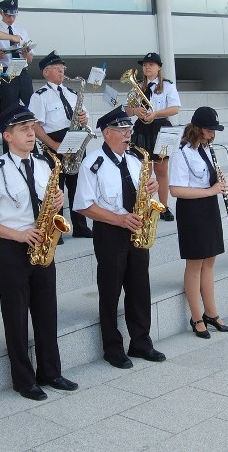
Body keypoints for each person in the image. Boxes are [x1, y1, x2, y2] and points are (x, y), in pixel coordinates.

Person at [0, 104, 79, 401]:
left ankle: (51, 371)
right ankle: (23, 379)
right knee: (16, 316)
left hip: (43, 242)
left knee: (47, 311)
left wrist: (58, 200)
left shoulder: (45, 163)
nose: (31, 134)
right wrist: (18, 234)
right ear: (7, 136)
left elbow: (49, 200)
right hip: (11, 248)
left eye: (32, 128)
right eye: (24, 130)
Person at [74, 106, 166, 369]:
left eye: (130, 130)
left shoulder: (137, 160)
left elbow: (145, 197)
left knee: (140, 289)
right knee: (110, 291)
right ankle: (112, 348)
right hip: (110, 231)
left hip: (136, 228)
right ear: (107, 133)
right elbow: (82, 205)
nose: (128, 135)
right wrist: (118, 219)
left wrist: (153, 188)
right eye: (123, 130)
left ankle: (141, 342)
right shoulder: (93, 163)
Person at [169, 107, 228, 338]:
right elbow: (176, 190)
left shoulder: (207, 149)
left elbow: (209, 182)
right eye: (209, 130)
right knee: (195, 265)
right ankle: (197, 317)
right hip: (192, 211)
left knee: (210, 262)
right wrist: (212, 190)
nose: (213, 134)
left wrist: (217, 185)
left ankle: (212, 313)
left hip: (208, 207)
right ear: (199, 128)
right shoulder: (182, 152)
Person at [28, 51, 93, 238]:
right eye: (57, 69)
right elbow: (35, 125)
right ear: (45, 72)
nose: (61, 72)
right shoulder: (39, 96)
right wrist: (53, 145)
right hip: (54, 142)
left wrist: (83, 117)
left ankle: (80, 227)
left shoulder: (72, 93)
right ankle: (56, 230)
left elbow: (85, 117)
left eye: (62, 68)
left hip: (76, 141)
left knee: (78, 186)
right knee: (56, 188)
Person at [125, 52, 180, 222]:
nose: (147, 67)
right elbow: (126, 109)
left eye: (151, 64)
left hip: (161, 127)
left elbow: (175, 109)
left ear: (159, 67)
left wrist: (155, 113)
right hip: (142, 128)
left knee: (162, 170)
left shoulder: (167, 86)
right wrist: (135, 111)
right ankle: (145, 205)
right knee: (144, 171)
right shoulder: (138, 86)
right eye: (145, 65)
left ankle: (163, 207)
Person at [0, 0, 34, 110]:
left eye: (14, 16)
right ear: (1, 13)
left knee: (30, 107)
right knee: (8, 108)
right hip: (6, 73)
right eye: (8, 15)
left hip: (23, 71)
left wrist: (26, 54)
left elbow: (30, 60)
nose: (11, 19)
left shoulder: (21, 30)